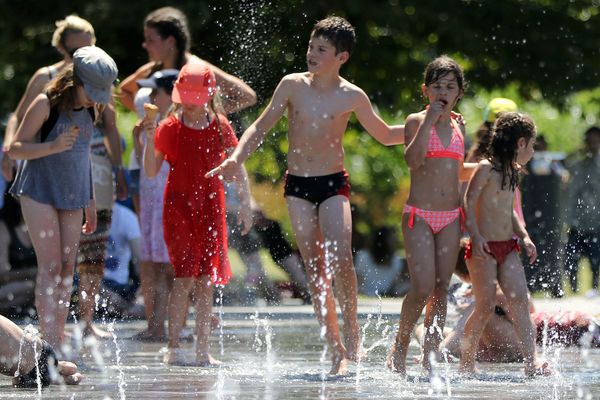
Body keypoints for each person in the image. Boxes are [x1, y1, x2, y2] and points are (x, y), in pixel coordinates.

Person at [207, 16, 405, 375]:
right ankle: (335, 347)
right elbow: (260, 125)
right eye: (311, 47)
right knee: (314, 268)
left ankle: (352, 330)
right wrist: (236, 158)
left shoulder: (351, 95)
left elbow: (387, 134)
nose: (312, 54)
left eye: (321, 50)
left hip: (333, 184)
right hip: (298, 186)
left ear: (341, 57)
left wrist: (427, 122)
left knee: (341, 254)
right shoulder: (292, 86)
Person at [5, 46, 118, 351]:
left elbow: (83, 158)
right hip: (38, 189)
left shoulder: (92, 108)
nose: (97, 98)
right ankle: (49, 340)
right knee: (51, 266)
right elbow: (15, 148)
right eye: (92, 91)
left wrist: (90, 201)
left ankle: (55, 333)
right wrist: (53, 146)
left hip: (74, 192)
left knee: (69, 268)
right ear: (74, 81)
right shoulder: (46, 104)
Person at [143, 63, 253, 366]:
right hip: (178, 207)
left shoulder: (219, 125)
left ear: (208, 95)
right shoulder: (169, 127)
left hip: (210, 207)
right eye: (187, 95)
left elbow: (237, 163)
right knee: (185, 276)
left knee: (206, 280)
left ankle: (203, 350)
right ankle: (174, 346)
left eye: (197, 95)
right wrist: (149, 140)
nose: (192, 101)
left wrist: (246, 202)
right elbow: (152, 170)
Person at [387, 56, 474, 376]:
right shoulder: (414, 120)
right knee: (422, 287)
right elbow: (413, 161)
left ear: (459, 93)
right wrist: (428, 122)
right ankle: (400, 345)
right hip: (419, 216)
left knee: (440, 287)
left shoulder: (459, 126)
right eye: (437, 86)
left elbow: (458, 172)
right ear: (425, 90)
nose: (443, 91)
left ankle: (430, 353)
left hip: (451, 217)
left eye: (450, 87)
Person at [459, 112, 551, 377]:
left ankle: (531, 361)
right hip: (483, 247)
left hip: (507, 247)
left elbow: (508, 210)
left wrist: (524, 236)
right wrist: (475, 236)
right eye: (532, 146)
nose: (533, 152)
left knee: (519, 300)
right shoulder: (486, 168)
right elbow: (468, 201)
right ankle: (466, 363)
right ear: (520, 143)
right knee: (485, 305)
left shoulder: (513, 171)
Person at [131, 69, 178, 341]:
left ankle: (168, 327)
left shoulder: (174, 124)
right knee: (152, 266)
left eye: (155, 92)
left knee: (168, 268)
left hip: (167, 201)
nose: (149, 96)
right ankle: (156, 326)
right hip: (151, 202)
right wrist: (141, 138)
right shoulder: (152, 122)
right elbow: (142, 161)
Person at [563, 126, 600, 296]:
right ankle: (573, 290)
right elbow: (563, 164)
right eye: (590, 140)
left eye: (595, 140)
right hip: (576, 222)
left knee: (595, 260)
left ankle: (593, 289)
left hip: (596, 222)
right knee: (571, 259)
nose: (593, 144)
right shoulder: (577, 163)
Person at [0, 315, 82, 387]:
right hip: (35, 354)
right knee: (65, 371)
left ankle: (60, 368)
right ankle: (60, 369)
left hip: (39, 357)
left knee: (69, 370)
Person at [101, 202, 143, 320]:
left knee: (152, 304)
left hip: (118, 286)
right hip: (88, 284)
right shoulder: (80, 214)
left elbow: (139, 259)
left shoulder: (126, 216)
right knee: (88, 282)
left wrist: (142, 288)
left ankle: (123, 308)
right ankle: (123, 309)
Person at [354, 226, 409, 297]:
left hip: (385, 294)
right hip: (368, 294)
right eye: (392, 240)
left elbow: (396, 285)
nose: (394, 242)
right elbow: (358, 281)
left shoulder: (396, 260)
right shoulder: (363, 256)